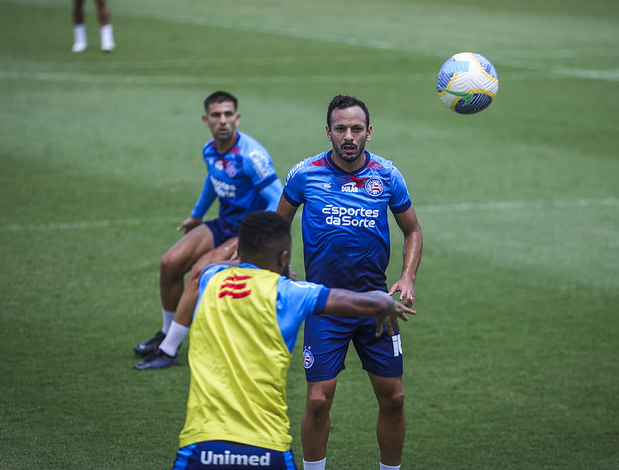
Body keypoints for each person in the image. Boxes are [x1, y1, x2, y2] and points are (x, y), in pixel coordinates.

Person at [172, 211, 416, 470]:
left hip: (202, 448)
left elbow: (208, 268)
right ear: (283, 257)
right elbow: (367, 301)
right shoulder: (292, 293)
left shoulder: (211, 281)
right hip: (267, 450)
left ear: (240, 251)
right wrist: (384, 305)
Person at [276, 95, 423, 470]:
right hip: (325, 304)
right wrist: (280, 268)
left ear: (369, 132)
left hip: (376, 305)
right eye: (340, 128)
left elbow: (413, 231)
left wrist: (407, 277)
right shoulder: (304, 173)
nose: (348, 136)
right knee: (318, 400)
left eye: (356, 129)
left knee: (394, 398)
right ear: (328, 132)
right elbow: (278, 227)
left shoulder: (387, 175)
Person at [133, 91, 283, 370]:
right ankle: (166, 332)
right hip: (223, 223)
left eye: (228, 114)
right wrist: (196, 215)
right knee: (170, 263)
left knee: (200, 273)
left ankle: (168, 351)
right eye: (216, 115)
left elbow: (279, 197)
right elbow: (212, 181)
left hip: (248, 230)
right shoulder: (209, 150)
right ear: (206, 120)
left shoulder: (252, 156)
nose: (223, 120)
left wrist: (255, 239)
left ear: (237, 118)